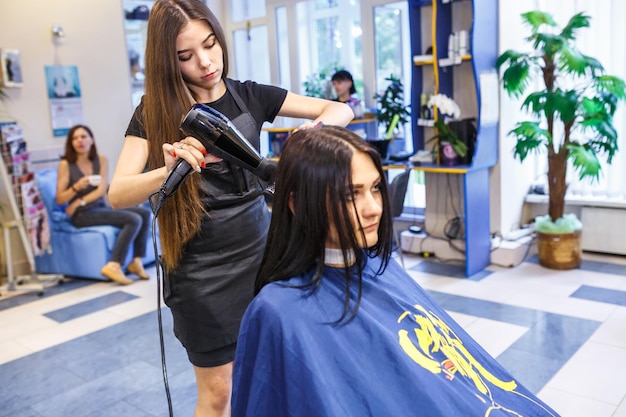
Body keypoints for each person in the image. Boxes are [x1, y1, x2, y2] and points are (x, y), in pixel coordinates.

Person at [107, 1, 353, 415]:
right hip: (199, 273)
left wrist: (310, 136)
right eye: (186, 56)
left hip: (261, 257)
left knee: (266, 370)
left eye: (210, 45)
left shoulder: (250, 96)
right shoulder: (154, 111)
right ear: (168, 59)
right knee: (218, 392)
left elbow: (339, 108)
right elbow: (118, 193)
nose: (206, 63)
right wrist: (166, 171)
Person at [231, 126, 560, 417]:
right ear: (297, 204)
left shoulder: (377, 268)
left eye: (375, 188)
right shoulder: (278, 313)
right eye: (351, 194)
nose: (374, 207)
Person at [56, 125, 151, 285]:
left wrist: (80, 200)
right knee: (133, 219)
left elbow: (101, 191)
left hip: (98, 207)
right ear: (70, 143)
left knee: (144, 213)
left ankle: (136, 261)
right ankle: (114, 265)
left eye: (84, 136)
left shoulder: (100, 159)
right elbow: (60, 199)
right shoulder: (66, 164)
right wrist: (76, 187)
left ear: (91, 140)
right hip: (81, 214)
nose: (80, 140)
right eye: (75, 138)